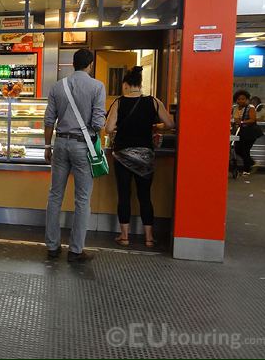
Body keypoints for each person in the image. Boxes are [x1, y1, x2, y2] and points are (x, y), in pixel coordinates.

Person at [43, 49, 106, 263]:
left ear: (73, 64)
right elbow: (98, 124)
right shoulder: (97, 86)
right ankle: (76, 250)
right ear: (90, 65)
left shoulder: (57, 86)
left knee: (54, 196)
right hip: (82, 146)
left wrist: (47, 147)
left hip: (59, 144)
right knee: (82, 200)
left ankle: (52, 246)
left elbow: (49, 120)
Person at [104, 66, 175, 248]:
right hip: (145, 155)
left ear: (126, 85)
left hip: (122, 156)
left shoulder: (119, 103)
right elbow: (169, 123)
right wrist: (155, 127)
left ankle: (125, 237)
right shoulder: (153, 101)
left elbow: (109, 128)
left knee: (124, 195)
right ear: (140, 84)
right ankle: (149, 238)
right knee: (145, 196)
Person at [232, 90, 261, 175]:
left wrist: (242, 122)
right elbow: (234, 118)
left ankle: (246, 170)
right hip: (240, 132)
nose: (241, 101)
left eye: (243, 99)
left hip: (250, 133)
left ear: (247, 99)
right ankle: (252, 163)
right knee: (237, 149)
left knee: (245, 150)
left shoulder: (250, 107)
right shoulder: (235, 108)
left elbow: (252, 119)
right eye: (238, 99)